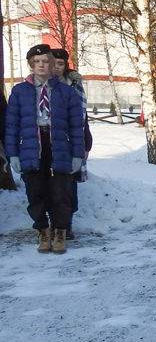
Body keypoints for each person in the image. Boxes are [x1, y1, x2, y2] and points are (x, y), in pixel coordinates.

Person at [5, 44, 84, 254]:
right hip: (31, 146)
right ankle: (43, 230)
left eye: (46, 61)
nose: (42, 65)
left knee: (61, 191)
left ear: (52, 65)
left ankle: (60, 231)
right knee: (35, 191)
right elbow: (11, 125)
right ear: (31, 65)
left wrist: (78, 154)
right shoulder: (20, 91)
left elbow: (77, 125)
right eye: (37, 62)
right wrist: (12, 153)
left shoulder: (67, 92)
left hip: (59, 145)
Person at [52, 48, 92, 239]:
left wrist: (86, 142)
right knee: (50, 185)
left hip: (70, 142)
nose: (57, 68)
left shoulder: (74, 85)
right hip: (48, 142)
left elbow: (82, 117)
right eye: (54, 63)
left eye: (61, 64)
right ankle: (54, 224)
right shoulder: (40, 85)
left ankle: (66, 225)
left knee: (68, 185)